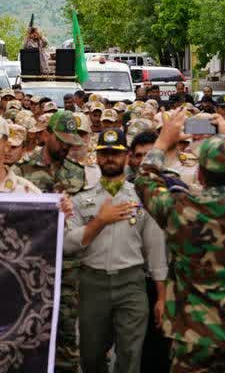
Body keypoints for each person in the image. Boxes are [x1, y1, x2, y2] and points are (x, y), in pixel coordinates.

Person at [135, 109, 225, 372]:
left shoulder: (180, 210)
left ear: (199, 175)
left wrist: (163, 140)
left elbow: (144, 179)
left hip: (192, 335)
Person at [66, 128, 167, 373]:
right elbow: (68, 243)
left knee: (130, 355)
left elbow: (155, 248)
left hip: (131, 283)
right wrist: (100, 221)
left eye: (116, 153)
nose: (109, 158)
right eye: (104, 153)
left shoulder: (141, 197)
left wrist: (162, 296)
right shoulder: (81, 199)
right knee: (91, 355)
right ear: (97, 157)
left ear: (127, 157)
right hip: (93, 283)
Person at [15, 110, 88, 373]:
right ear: (46, 135)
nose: (66, 147)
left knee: (67, 335)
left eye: (70, 143)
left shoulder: (78, 173)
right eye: (61, 141)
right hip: (31, 265)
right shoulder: (22, 170)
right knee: (28, 332)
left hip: (67, 268)